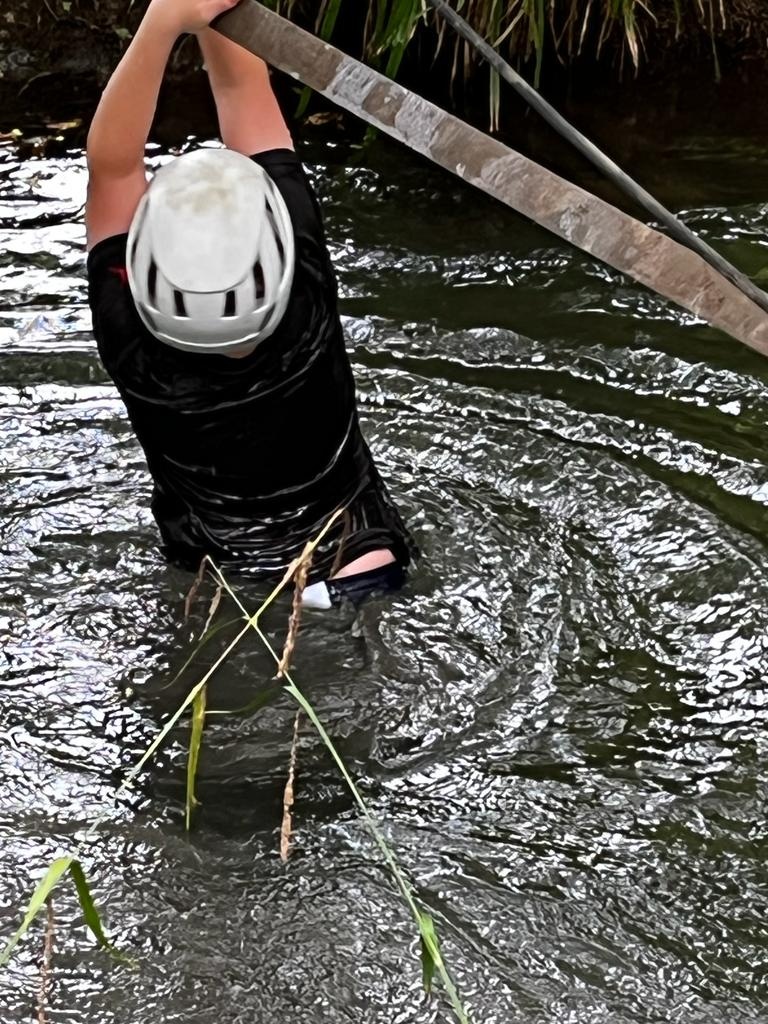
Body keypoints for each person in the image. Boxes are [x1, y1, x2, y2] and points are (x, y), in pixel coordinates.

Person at [85, 0, 416, 608]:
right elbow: (241, 89)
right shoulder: (305, 294)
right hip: (359, 559)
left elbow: (112, 165)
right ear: (279, 246)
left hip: (218, 581)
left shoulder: (130, 343)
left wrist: (161, 22)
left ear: (138, 272)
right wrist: (194, 17)